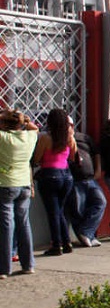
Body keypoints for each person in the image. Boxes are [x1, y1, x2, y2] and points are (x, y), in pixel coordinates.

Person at [32, 108, 77, 255]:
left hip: (50, 175)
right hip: (66, 176)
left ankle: (56, 244)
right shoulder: (69, 137)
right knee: (60, 210)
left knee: (53, 212)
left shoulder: (45, 138)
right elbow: (73, 157)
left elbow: (37, 158)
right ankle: (66, 241)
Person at [0, 109, 38, 278]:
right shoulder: (30, 137)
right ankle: (28, 264)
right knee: (24, 224)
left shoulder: (4, 138)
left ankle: (4, 267)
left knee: (6, 227)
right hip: (24, 184)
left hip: (6, 184)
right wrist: (24, 120)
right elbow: (34, 127)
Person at [67, 117, 106, 247]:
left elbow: (96, 153)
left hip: (90, 178)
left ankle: (86, 232)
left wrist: (98, 170)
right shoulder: (61, 140)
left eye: (70, 125)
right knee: (78, 209)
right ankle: (87, 236)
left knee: (100, 202)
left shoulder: (83, 137)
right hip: (75, 179)